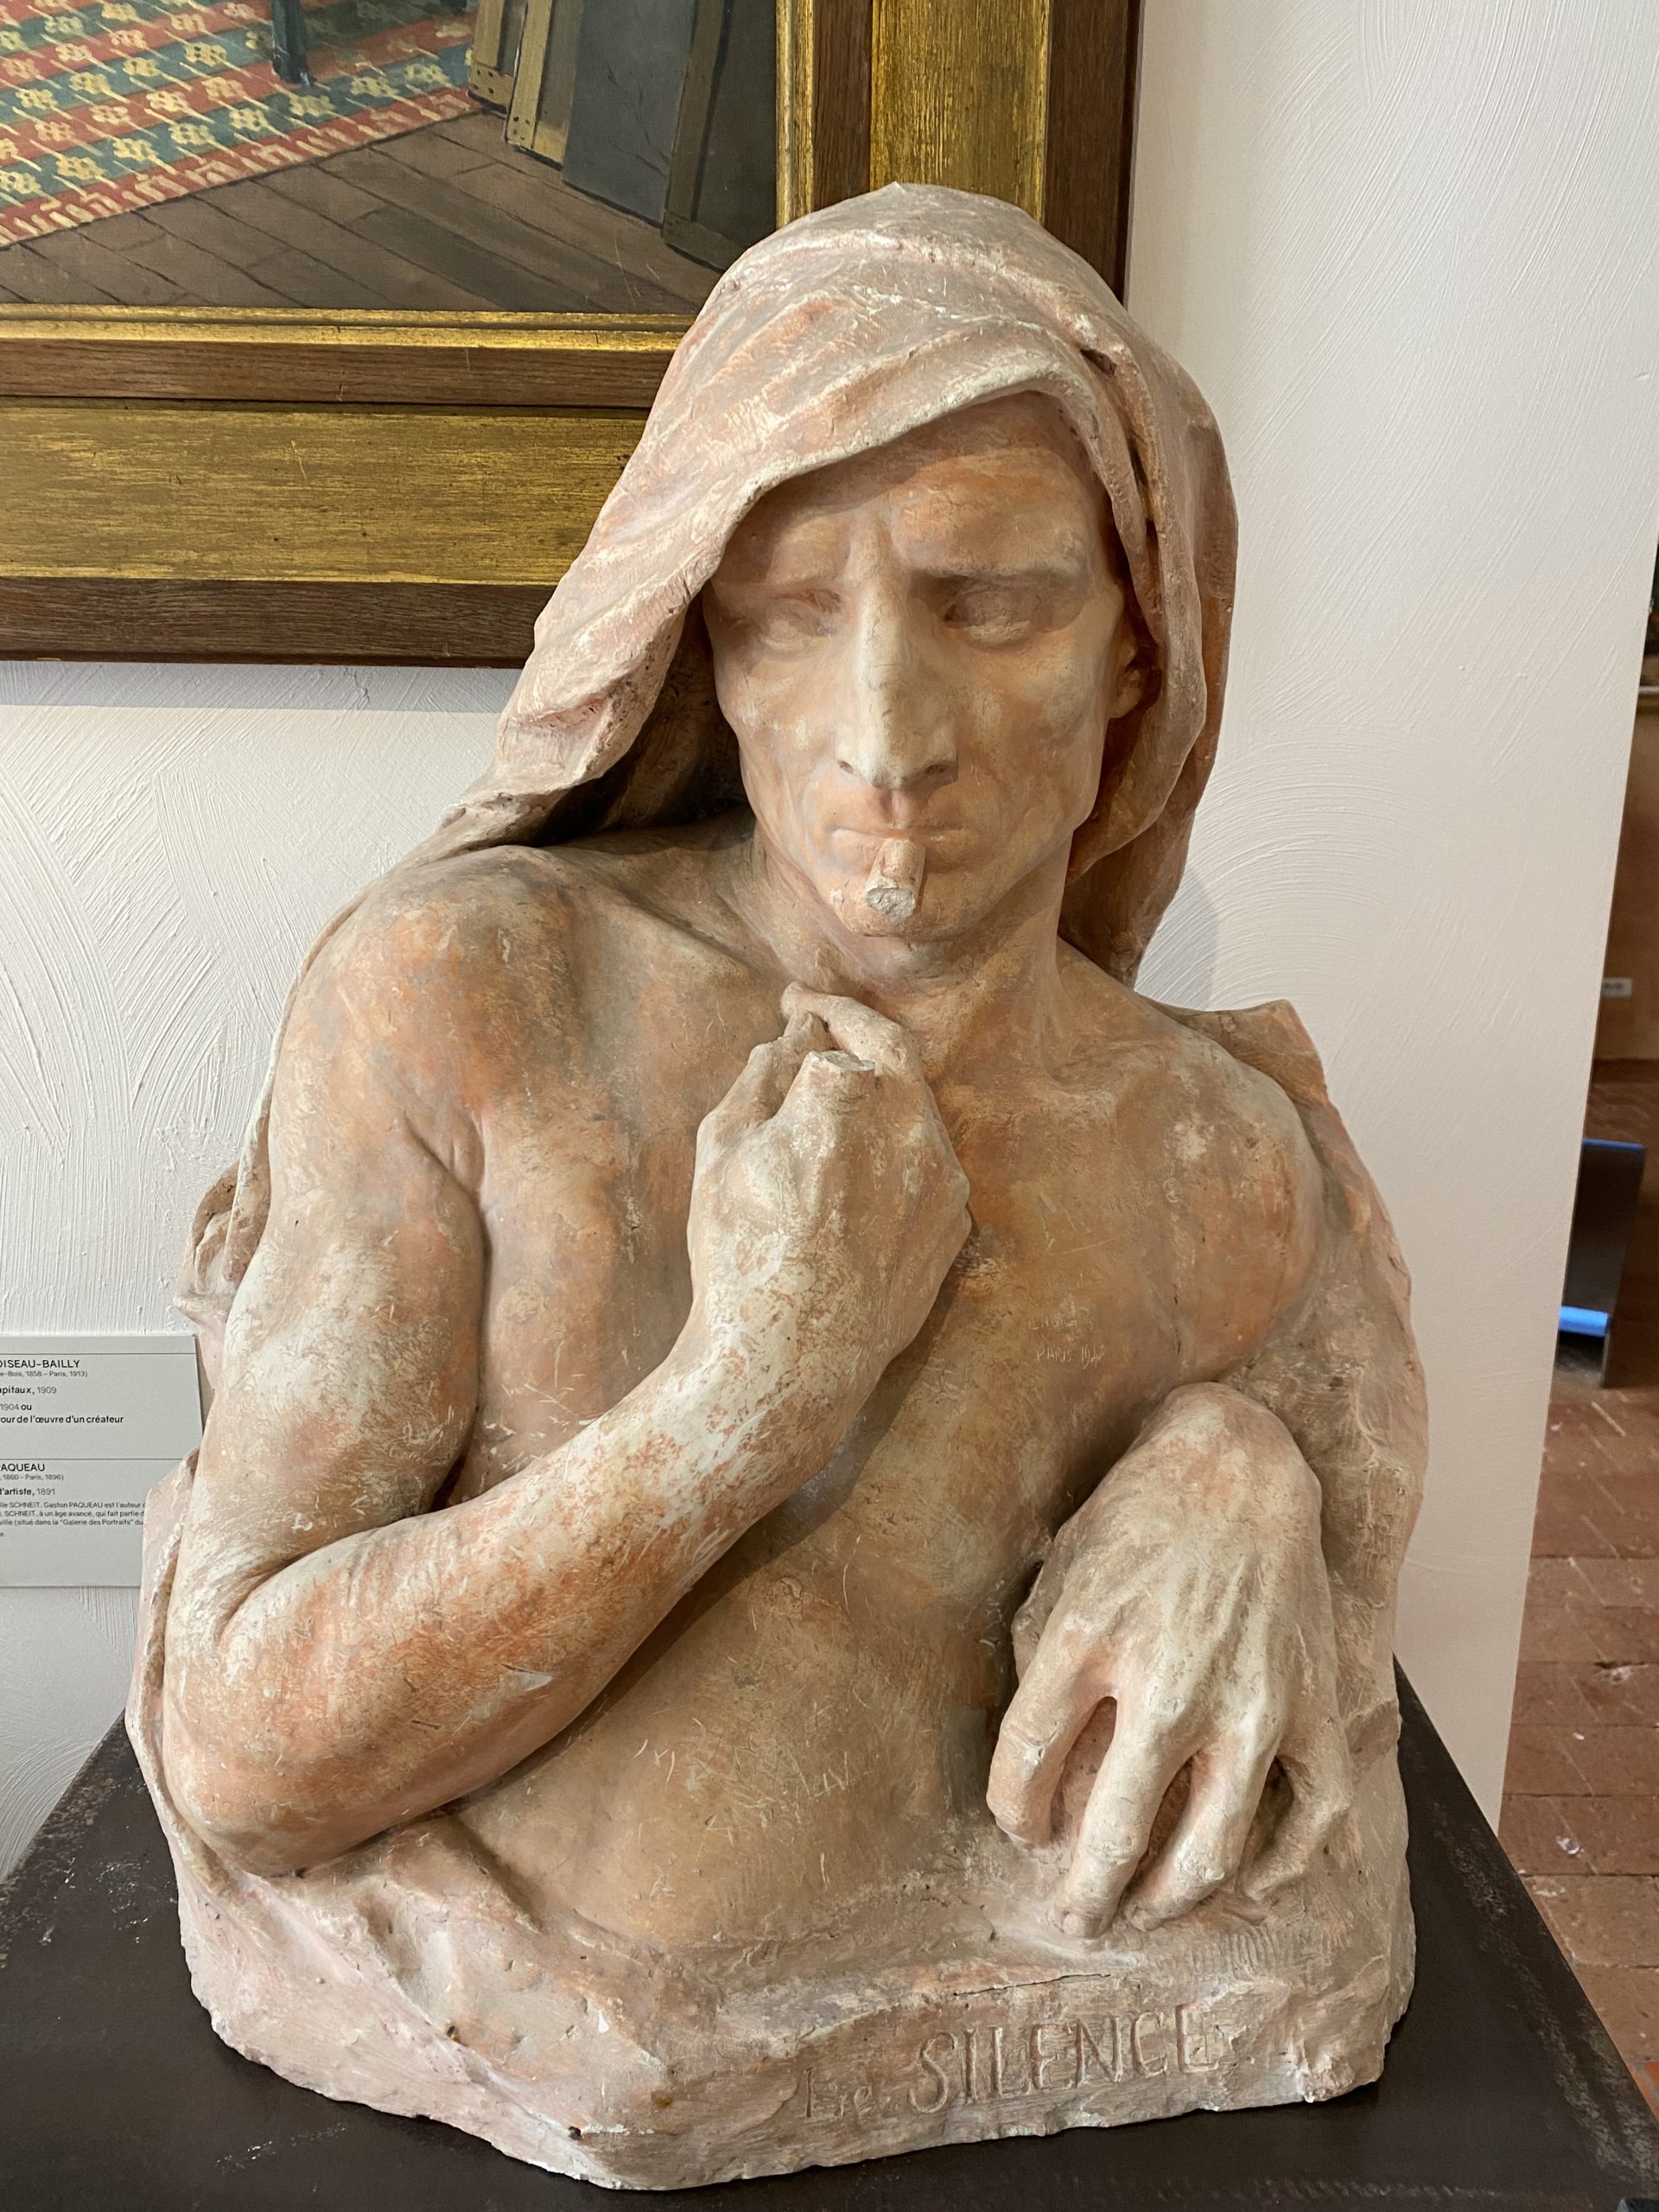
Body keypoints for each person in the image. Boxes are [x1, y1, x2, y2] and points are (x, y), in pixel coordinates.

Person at [131, 186, 1427, 2186]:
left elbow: (1314, 1634)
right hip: (520, 2017)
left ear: (1138, 646)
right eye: (795, 610)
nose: (885, 736)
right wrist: (746, 1396)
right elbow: (242, 1747)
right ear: (700, 645)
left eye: (991, 601)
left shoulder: (1232, 1160)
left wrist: (1245, 1463)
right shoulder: (476, 1001)